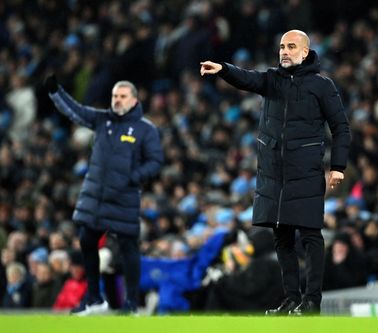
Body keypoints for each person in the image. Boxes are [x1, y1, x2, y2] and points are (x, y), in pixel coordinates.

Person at [200, 29, 351, 315]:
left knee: (310, 236)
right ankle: (292, 299)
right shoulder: (272, 80)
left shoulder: (322, 85)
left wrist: (338, 167)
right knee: (281, 237)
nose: (284, 51)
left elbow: (341, 127)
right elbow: (248, 78)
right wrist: (223, 70)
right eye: (282, 46)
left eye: (291, 46)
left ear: (305, 52)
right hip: (273, 174)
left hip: (304, 171)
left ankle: (312, 301)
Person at [44, 75, 163, 315]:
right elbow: (75, 111)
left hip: (124, 198)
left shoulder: (145, 129)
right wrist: (57, 92)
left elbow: (155, 162)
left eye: (122, 96)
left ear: (134, 100)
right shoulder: (101, 120)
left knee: (129, 247)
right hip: (95, 197)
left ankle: (131, 304)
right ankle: (95, 298)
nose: (117, 100)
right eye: (114, 96)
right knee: (87, 240)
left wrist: (133, 177)